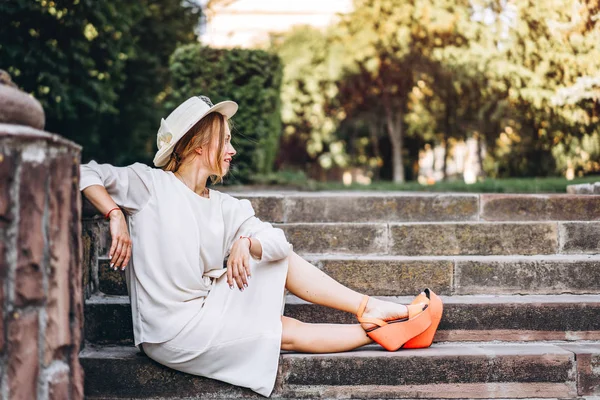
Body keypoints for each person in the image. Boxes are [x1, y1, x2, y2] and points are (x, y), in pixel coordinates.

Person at [80, 96, 443, 397]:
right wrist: (114, 213)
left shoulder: (225, 206)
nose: (232, 150)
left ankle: (375, 314)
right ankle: (386, 323)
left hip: (208, 306)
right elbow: (85, 171)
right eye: (225, 141)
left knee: (274, 260)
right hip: (169, 333)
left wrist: (246, 242)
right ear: (198, 143)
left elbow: (278, 243)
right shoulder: (149, 186)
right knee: (278, 330)